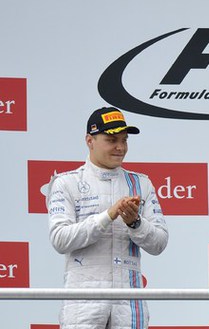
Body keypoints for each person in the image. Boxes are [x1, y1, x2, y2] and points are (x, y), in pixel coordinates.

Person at [47, 106, 169, 329]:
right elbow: (60, 239)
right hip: (83, 302)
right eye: (112, 140)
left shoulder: (141, 184)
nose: (120, 147)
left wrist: (135, 223)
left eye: (124, 140)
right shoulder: (66, 183)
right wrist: (108, 215)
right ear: (90, 141)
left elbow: (159, 243)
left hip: (129, 303)